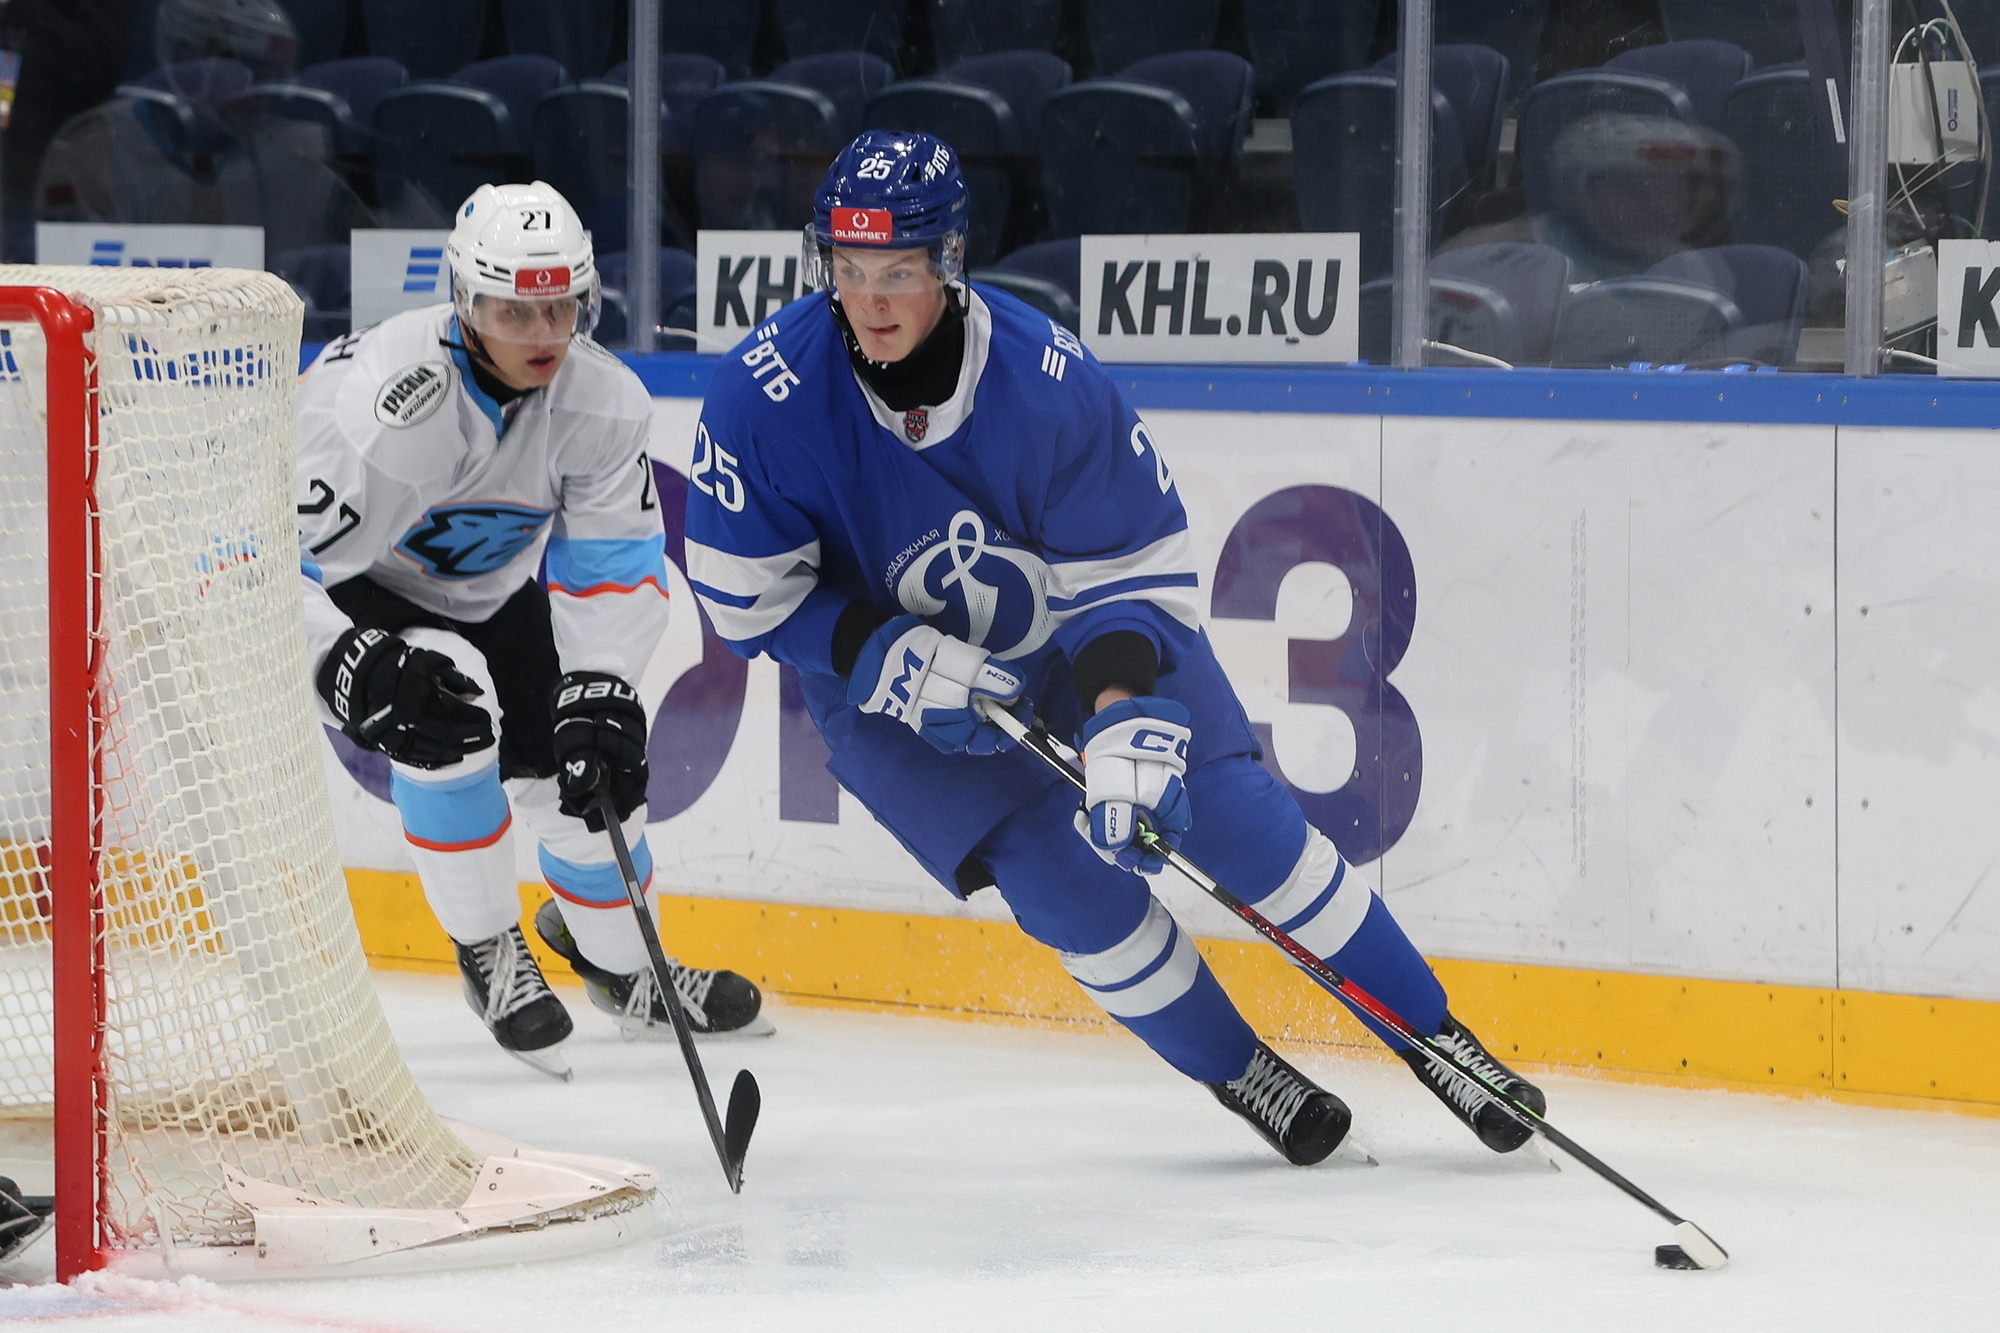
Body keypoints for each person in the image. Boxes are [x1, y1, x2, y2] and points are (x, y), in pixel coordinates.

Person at [687, 131, 1545, 1164]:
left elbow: (1125, 568)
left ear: (947, 263)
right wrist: (876, 651)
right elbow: (747, 597)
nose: (869, 302)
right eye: (849, 270)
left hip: (1080, 642)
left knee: (1240, 826)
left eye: (898, 274)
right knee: (1067, 891)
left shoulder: (1044, 378)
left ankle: (1440, 1042)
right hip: (891, 693)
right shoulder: (762, 394)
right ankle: (1244, 1071)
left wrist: (1119, 712)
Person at [297, 181, 766, 1078]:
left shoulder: (602, 401)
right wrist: (336, 658)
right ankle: (488, 948)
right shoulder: (378, 408)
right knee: (448, 712)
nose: (543, 332)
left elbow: (611, 565)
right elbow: (260, 562)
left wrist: (601, 682)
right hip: (356, 591)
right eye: (514, 310)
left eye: (561, 307)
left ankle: (627, 969)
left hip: (490, 591)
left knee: (588, 774)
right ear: (464, 302)